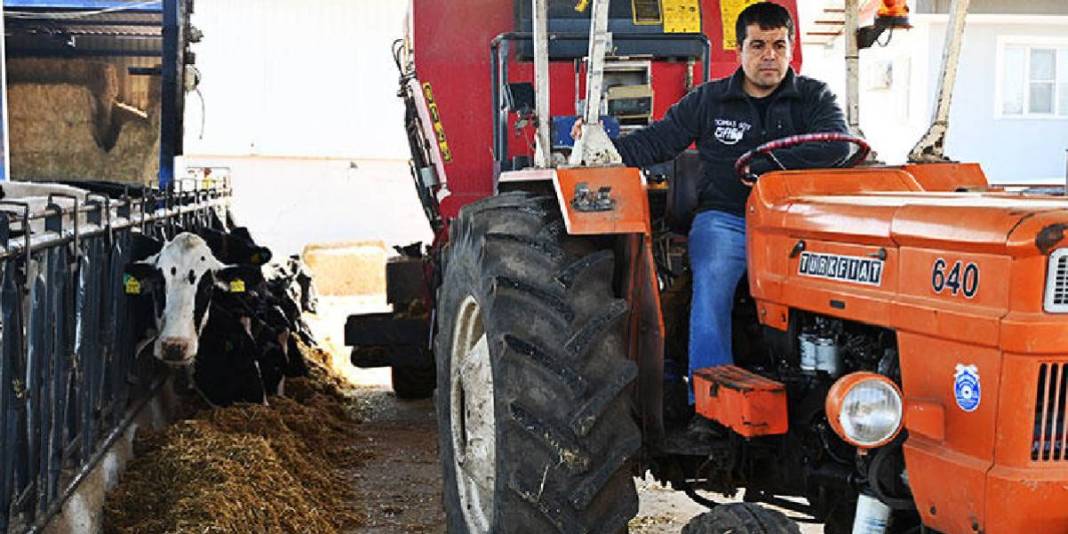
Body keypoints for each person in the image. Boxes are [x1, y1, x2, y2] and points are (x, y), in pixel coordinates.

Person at [575, 2, 850, 412]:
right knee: (713, 279)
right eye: (757, 45)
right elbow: (658, 142)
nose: (769, 55)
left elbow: (837, 147)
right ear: (740, 50)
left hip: (797, 225)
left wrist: (766, 163)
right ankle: (708, 398)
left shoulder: (814, 97)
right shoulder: (708, 100)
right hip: (727, 220)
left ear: (791, 47)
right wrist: (601, 146)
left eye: (778, 44)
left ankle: (835, 394)